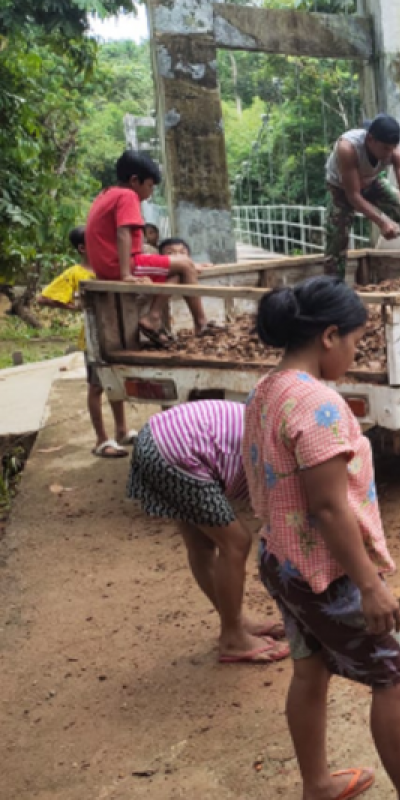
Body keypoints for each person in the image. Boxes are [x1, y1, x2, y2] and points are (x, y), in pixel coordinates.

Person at [245, 276, 400, 800]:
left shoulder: (266, 389)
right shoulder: (316, 405)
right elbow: (327, 507)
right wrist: (369, 585)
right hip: (325, 573)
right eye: (354, 341)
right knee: (397, 676)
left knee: (310, 667)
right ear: (329, 336)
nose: (355, 351)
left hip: (280, 560)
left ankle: (317, 785)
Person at [127, 400, 289, 664]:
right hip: (178, 450)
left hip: (156, 438)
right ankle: (233, 637)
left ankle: (236, 622)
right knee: (236, 542)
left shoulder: (278, 437)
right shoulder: (285, 461)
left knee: (202, 545)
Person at [84, 151, 220, 347]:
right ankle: (202, 324)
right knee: (186, 266)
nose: (151, 192)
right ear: (134, 180)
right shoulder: (128, 195)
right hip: (119, 265)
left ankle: (153, 317)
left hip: (106, 264)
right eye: (149, 185)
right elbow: (123, 233)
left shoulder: (106, 194)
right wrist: (125, 274)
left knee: (179, 273)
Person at [38, 226, 136, 458]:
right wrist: (73, 306)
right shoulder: (76, 273)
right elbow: (44, 298)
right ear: (83, 247)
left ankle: (121, 430)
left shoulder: (111, 270)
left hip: (116, 335)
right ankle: (101, 439)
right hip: (94, 339)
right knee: (96, 386)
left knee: (115, 383)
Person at [324, 114, 400, 281]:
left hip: (372, 181)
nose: (390, 153)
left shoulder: (395, 153)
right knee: (337, 238)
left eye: (393, 148)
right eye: (386, 149)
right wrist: (382, 222)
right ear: (371, 140)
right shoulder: (348, 148)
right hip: (342, 189)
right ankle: (332, 287)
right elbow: (354, 196)